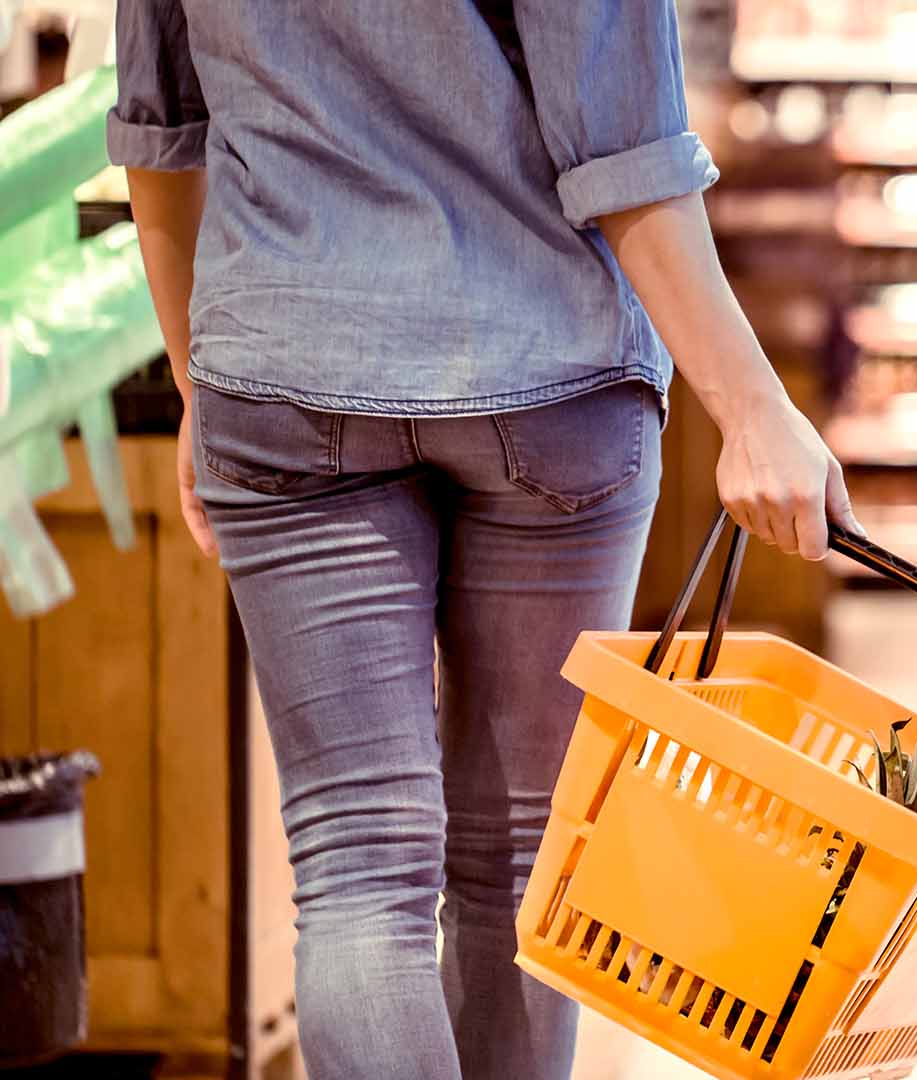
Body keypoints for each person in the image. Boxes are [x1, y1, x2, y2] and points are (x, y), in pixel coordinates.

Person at [109, 4, 858, 1078]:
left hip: (284, 356)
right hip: (544, 361)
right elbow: (622, 141)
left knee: (357, 876)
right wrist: (752, 408)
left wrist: (197, 377)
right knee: (519, 863)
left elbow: (159, 126)